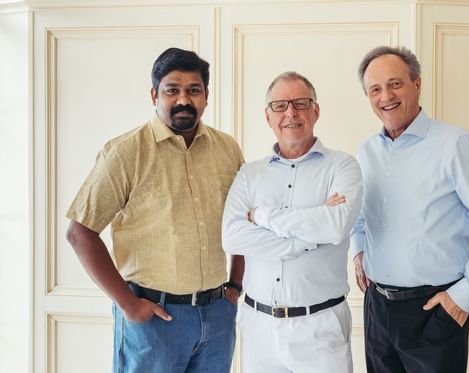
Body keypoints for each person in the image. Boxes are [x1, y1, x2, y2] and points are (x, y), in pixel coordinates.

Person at [66, 47, 245, 373]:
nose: (183, 100)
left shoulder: (227, 149)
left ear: (206, 96)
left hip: (218, 316)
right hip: (154, 319)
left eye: (193, 90)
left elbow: (243, 219)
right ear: (154, 94)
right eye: (171, 90)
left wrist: (236, 284)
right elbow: (80, 233)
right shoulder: (125, 153)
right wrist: (128, 305)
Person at [351, 45, 469, 373]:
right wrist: (359, 252)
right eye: (375, 89)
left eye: (395, 83)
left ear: (417, 84)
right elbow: (361, 214)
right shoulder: (366, 150)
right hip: (378, 309)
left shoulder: (455, 145)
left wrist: (465, 293)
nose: (386, 95)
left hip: (433, 311)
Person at [221, 71, 362, 373]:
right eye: (280, 105)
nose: (291, 113)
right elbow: (233, 237)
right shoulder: (250, 174)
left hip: (320, 327)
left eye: (300, 103)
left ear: (316, 110)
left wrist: (262, 216)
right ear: (267, 116)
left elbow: (336, 226)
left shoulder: (343, 166)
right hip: (259, 327)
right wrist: (307, 237)